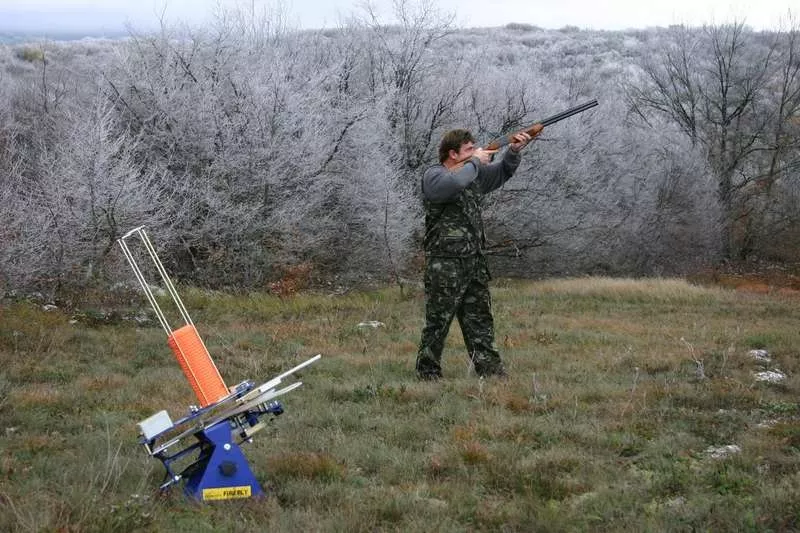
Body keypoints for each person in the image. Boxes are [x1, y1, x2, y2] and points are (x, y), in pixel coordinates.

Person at [415, 126, 539, 380]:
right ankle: (427, 372)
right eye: (469, 149)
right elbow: (453, 183)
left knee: (480, 319)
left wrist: (513, 152)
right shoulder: (435, 176)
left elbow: (501, 173)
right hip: (445, 264)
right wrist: (475, 162)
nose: (476, 153)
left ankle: (490, 371)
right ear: (452, 154)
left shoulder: (471, 174)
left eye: (475, 148)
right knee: (438, 322)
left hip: (474, 261)